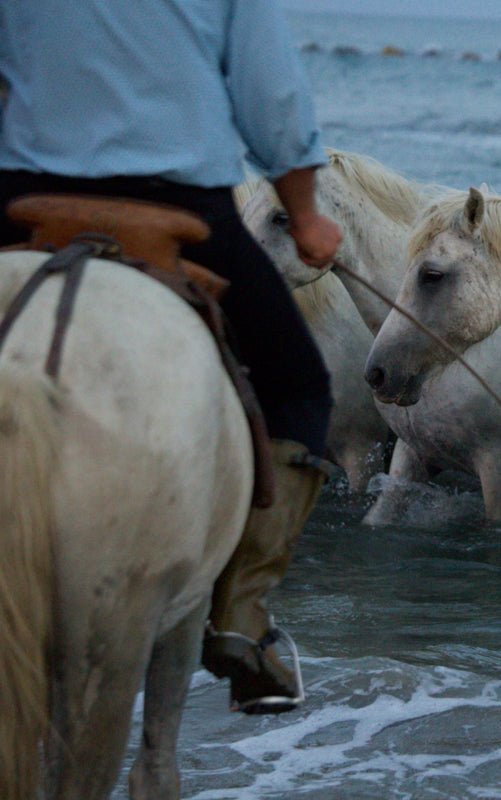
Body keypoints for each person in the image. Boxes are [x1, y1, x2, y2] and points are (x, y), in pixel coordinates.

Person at [0, 1, 342, 714]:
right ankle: (242, 620)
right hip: (184, 208)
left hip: (23, 198)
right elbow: (273, 99)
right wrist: (306, 218)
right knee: (301, 387)